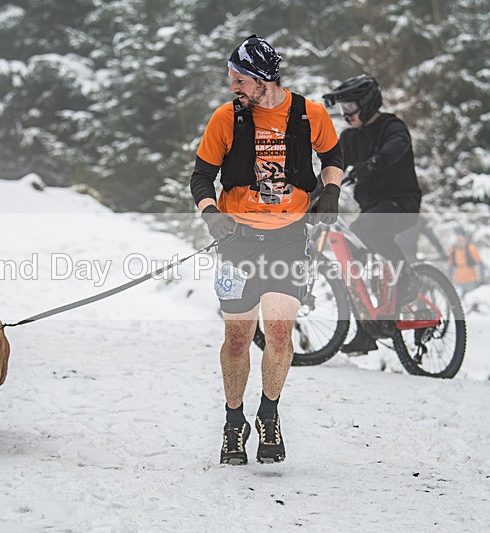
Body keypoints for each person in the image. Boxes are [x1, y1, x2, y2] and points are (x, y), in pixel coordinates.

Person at [189, 35, 344, 465]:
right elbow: (201, 177)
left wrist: (331, 192)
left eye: (240, 80)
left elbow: (333, 156)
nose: (233, 88)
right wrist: (210, 214)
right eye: (232, 80)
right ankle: (233, 421)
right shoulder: (226, 118)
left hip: (287, 239)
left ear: (264, 80)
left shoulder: (308, 114)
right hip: (236, 242)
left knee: (278, 334)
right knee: (237, 339)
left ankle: (268, 414)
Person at [321, 74, 423, 355]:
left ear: (366, 104)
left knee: (367, 228)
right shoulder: (350, 137)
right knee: (350, 259)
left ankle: (407, 278)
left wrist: (373, 163)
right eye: (342, 109)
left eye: (349, 107)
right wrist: (312, 194)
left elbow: (397, 146)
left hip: (402, 204)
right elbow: (334, 167)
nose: (346, 115)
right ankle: (367, 330)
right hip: (372, 209)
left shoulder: (392, 126)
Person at [446, 226, 484, 298]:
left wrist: (481, 279)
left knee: (471, 300)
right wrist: (448, 280)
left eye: (460, 236)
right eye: (457, 236)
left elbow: (480, 263)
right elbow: (449, 266)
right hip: (458, 282)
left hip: (471, 282)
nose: (458, 238)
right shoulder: (452, 250)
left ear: (464, 237)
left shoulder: (470, 248)